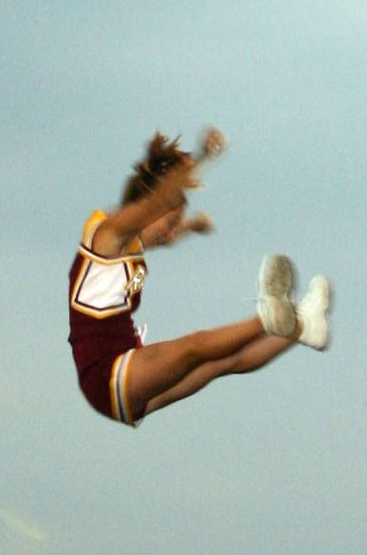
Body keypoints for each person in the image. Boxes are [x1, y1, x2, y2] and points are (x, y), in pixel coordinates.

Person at [69, 129, 331, 428]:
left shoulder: (127, 244)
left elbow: (161, 233)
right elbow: (159, 201)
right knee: (196, 346)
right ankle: (268, 318)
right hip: (108, 373)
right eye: (170, 223)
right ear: (148, 208)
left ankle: (304, 325)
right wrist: (203, 157)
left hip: (125, 374)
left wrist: (190, 226)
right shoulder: (107, 233)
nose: (170, 232)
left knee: (221, 362)